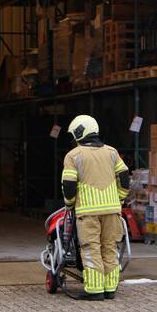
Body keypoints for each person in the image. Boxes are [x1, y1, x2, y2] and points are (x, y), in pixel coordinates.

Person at [61, 114, 130, 300]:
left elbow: (68, 185)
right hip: (112, 211)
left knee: (91, 248)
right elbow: (124, 179)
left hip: (88, 212)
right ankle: (110, 289)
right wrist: (120, 199)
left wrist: (69, 203)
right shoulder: (112, 152)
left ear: (78, 132)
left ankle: (94, 290)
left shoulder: (73, 156)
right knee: (110, 248)